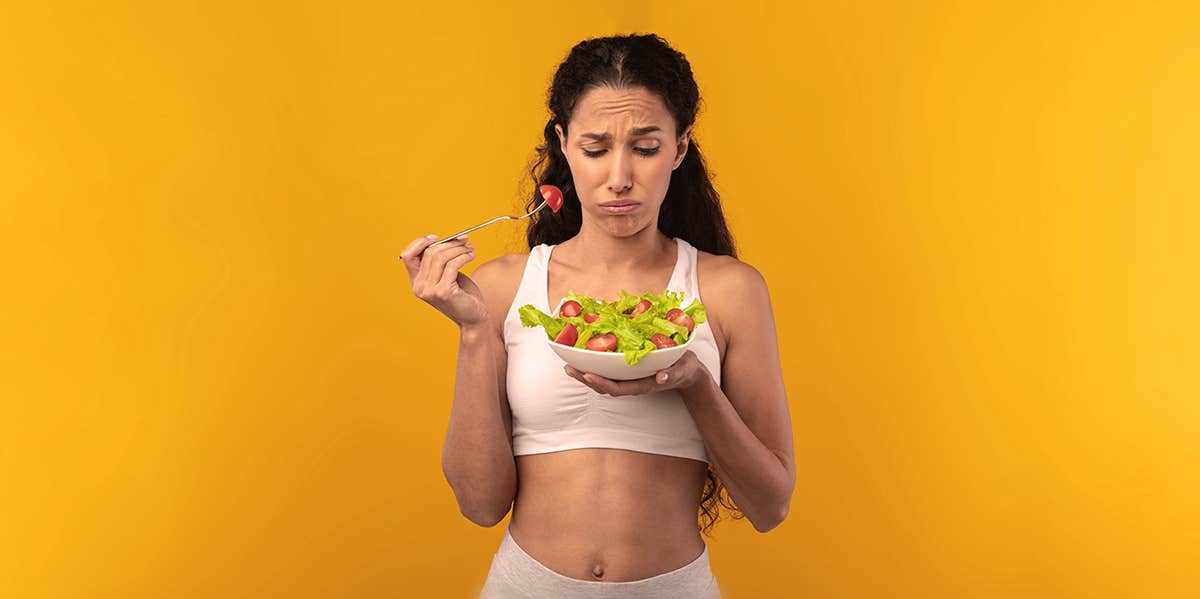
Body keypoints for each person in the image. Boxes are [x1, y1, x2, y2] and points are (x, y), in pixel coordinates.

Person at [399, 33, 795, 599]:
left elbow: (769, 505)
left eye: (646, 147)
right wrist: (471, 331)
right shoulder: (504, 287)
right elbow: (479, 505)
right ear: (563, 146)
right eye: (594, 148)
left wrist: (694, 383)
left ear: (680, 148)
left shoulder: (730, 291)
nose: (619, 178)